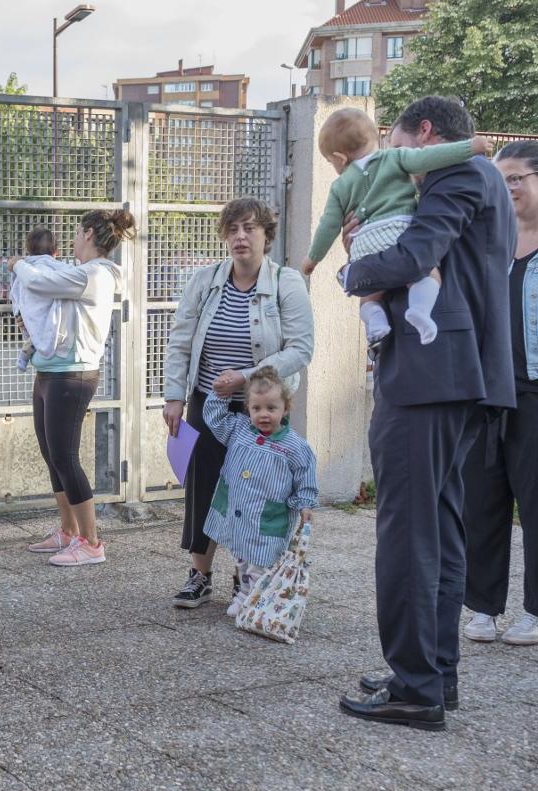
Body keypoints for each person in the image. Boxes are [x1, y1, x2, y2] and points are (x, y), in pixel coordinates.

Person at [339, 97, 515, 730]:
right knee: (439, 529)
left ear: (425, 134)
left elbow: (413, 258)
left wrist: (353, 268)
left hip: (430, 376)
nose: (395, 161)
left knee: (409, 531)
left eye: (397, 144)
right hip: (457, 377)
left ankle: (416, 687)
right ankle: (433, 674)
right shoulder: (482, 178)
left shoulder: (459, 174)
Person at [163, 198, 314, 607]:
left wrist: (247, 378)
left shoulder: (286, 283)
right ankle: (199, 574)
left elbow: (301, 348)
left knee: (260, 490)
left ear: (267, 234)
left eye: (249, 228)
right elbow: (180, 341)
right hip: (208, 401)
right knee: (204, 485)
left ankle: (246, 575)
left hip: (261, 407)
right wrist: (175, 395)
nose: (240, 237)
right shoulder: (205, 280)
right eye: (232, 229)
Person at [10, 208, 137, 566]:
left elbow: (36, 283)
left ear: (90, 236)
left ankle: (91, 542)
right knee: (53, 455)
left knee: (65, 456)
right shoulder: (80, 273)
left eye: (78, 233)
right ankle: (68, 531)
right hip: (50, 371)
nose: (74, 240)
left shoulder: (94, 275)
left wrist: (18, 264)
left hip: (73, 375)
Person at [301, 107, 490, 346]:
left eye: (330, 163)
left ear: (340, 158)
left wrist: (313, 259)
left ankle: (376, 325)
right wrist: (471, 147)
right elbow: (430, 157)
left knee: (370, 297)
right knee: (427, 274)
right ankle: (421, 309)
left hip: (363, 242)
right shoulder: (396, 158)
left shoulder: (339, 186)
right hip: (398, 230)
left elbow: (327, 225)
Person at [458, 141, 538, 647]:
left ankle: (534, 611)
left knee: (535, 506)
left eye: (518, 179)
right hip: (486, 396)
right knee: (482, 503)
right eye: (500, 180)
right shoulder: (487, 244)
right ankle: (483, 606)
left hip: (534, 395)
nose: (507, 189)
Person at [201, 368, 318, 617]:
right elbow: (214, 418)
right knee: (242, 558)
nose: (264, 415)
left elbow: (305, 474)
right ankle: (245, 594)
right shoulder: (238, 430)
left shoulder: (295, 446)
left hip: (268, 518)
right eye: (257, 409)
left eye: (271, 408)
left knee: (261, 561)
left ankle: (255, 600)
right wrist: (220, 393)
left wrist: (306, 503)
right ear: (248, 409)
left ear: (285, 408)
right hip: (240, 512)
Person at [11, 227, 73, 372]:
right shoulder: (59, 267)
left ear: (29, 249)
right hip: (53, 319)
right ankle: (29, 349)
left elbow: (15, 293)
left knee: (34, 332)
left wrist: (19, 311)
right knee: (47, 328)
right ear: (55, 251)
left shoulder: (23, 267)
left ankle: (26, 352)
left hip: (30, 316)